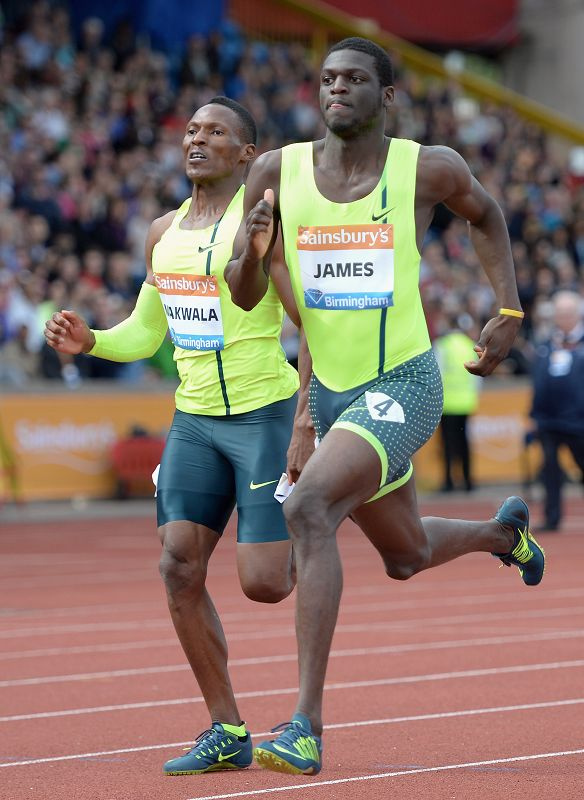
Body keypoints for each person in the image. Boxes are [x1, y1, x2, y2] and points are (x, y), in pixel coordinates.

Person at [225, 37, 546, 776]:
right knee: (405, 557)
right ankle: (504, 537)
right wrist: (251, 251)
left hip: (404, 383)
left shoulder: (424, 168)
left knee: (308, 510)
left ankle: (304, 724)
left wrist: (510, 308)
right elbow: (251, 295)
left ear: (388, 96)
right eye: (328, 78)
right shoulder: (278, 171)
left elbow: (487, 215)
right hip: (333, 394)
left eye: (356, 79)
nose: (337, 88)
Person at [44, 97, 312, 777]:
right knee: (178, 566)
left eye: (216, 132)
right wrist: (94, 340)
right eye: (192, 130)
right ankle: (227, 729)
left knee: (264, 585)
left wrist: (309, 412)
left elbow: (310, 323)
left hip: (263, 413)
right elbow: (148, 329)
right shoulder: (162, 230)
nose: (198, 139)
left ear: (247, 153)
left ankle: (318, 528)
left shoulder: (264, 223)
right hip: (193, 418)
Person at [530, 290, 584, 531]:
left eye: (567, 313)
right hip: (548, 420)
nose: (562, 318)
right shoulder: (546, 344)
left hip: (578, 420)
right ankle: (552, 517)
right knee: (550, 470)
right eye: (558, 313)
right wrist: (534, 414)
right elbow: (538, 380)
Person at [433, 312, 480, 492]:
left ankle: (448, 482)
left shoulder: (442, 346)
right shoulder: (470, 346)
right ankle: (468, 482)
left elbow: (437, 373)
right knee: (464, 443)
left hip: (447, 404)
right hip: (466, 403)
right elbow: (477, 378)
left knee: (447, 444)